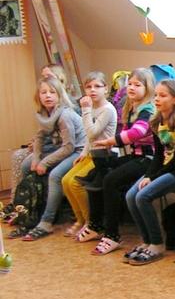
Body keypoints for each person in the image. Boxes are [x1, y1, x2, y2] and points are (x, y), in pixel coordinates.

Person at [124, 79, 175, 265]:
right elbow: (158, 155)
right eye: (156, 95)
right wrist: (149, 175)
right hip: (165, 168)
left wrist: (153, 178)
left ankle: (157, 243)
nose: (157, 99)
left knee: (143, 197)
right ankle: (146, 241)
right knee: (131, 196)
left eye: (162, 95)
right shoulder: (156, 121)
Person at [83, 68, 156, 252]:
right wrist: (111, 146)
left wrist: (111, 141)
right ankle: (95, 224)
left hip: (149, 159)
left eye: (137, 85)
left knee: (110, 180)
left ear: (147, 88)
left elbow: (137, 132)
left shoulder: (148, 109)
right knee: (96, 173)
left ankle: (112, 235)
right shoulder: (130, 108)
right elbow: (125, 134)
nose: (131, 87)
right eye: (130, 84)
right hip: (135, 156)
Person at [13, 75, 87, 241]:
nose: (48, 96)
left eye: (52, 92)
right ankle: (30, 210)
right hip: (60, 148)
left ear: (59, 95)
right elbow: (39, 137)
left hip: (78, 150)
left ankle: (46, 221)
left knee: (55, 175)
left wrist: (45, 162)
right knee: (25, 165)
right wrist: (35, 159)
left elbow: (69, 147)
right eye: (44, 92)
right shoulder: (44, 114)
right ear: (38, 96)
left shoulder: (65, 115)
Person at [61, 72, 118, 239]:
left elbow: (92, 132)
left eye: (97, 86)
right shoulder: (92, 108)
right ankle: (80, 219)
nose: (92, 90)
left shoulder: (108, 109)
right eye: (88, 87)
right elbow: (89, 137)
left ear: (105, 89)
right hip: (92, 153)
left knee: (76, 183)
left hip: (105, 156)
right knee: (65, 181)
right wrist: (84, 153)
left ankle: (90, 222)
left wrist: (85, 110)